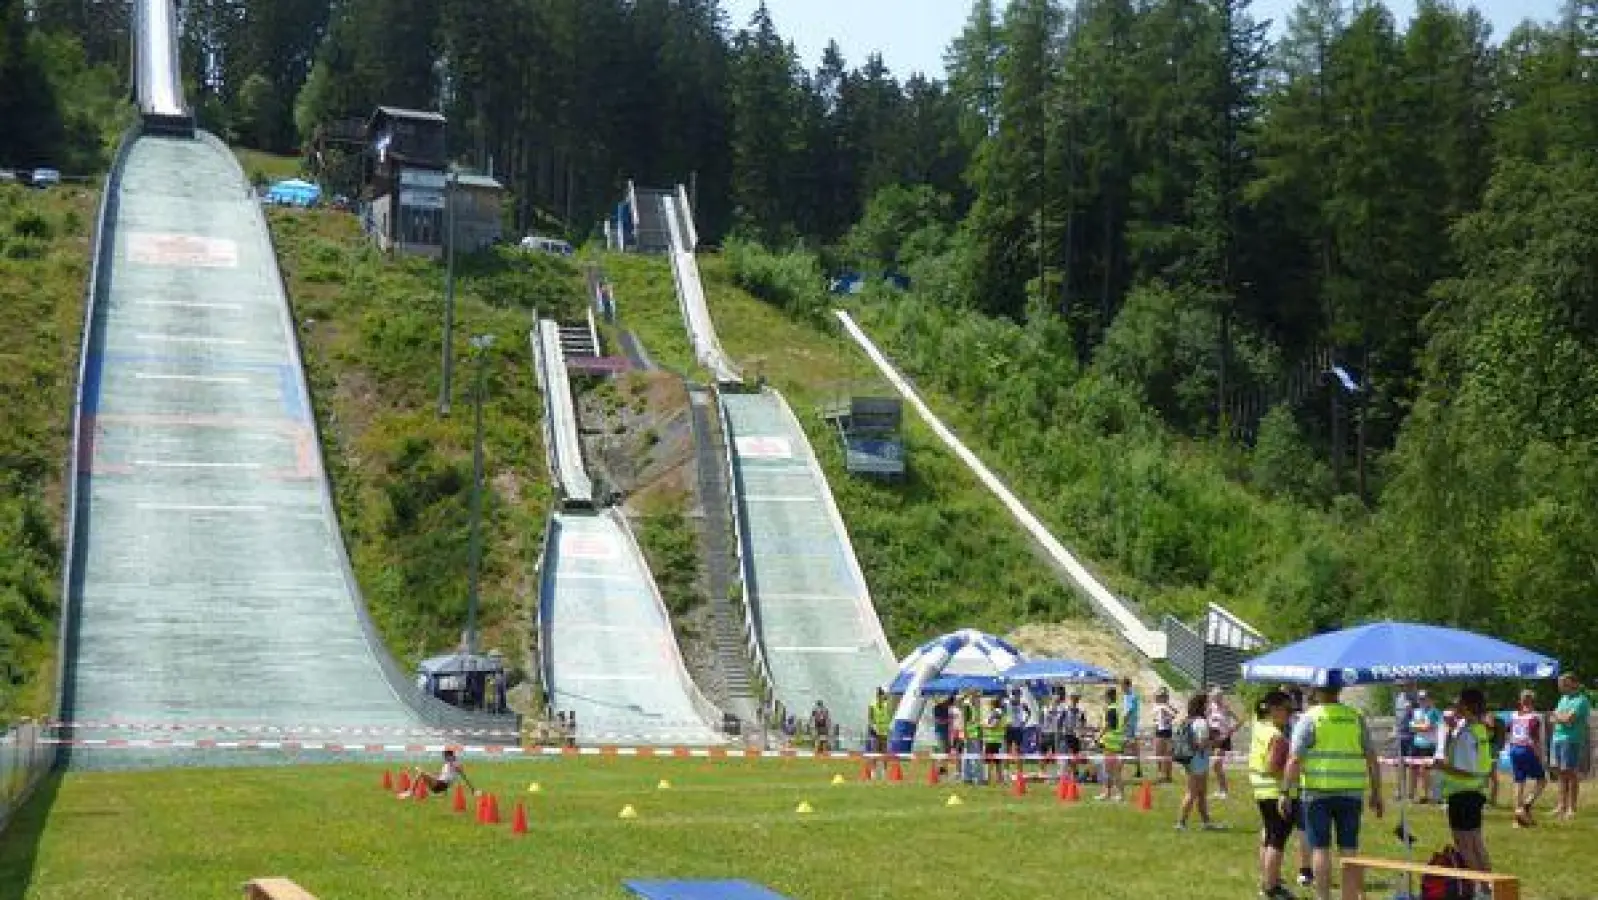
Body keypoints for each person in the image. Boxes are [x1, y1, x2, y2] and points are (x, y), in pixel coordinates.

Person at [1281, 683, 1384, 900]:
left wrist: (1285, 791)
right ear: (1339, 692)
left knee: (1320, 848)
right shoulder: (1355, 716)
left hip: (1318, 792)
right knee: (1349, 849)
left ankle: (1323, 897)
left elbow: (1295, 758)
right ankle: (1349, 897)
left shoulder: (1310, 717)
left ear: (1316, 692)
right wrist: (1377, 792)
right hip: (1351, 793)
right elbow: (1372, 758)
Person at [1433, 688, 1495, 879]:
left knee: (1465, 846)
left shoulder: (1467, 734)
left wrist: (1442, 767)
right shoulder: (1479, 729)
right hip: (1474, 793)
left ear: (1466, 707)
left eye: (1458, 703)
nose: (1455, 706)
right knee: (1476, 843)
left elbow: (1466, 770)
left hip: (1462, 795)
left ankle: (1481, 888)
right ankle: (1490, 888)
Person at [1250, 691, 1297, 899]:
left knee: (1269, 836)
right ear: (1275, 709)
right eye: (1288, 710)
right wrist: (1292, 772)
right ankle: (1272, 886)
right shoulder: (1276, 736)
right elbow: (1272, 766)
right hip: (1275, 791)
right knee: (1277, 840)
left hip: (1261, 790)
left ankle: (1267, 880)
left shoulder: (1259, 727)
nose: (1290, 714)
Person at [1175, 692, 1220, 831]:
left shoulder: (1189, 719)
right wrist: (1213, 742)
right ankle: (1181, 823)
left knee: (1201, 793)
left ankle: (1206, 822)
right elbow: (1201, 744)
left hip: (1193, 759)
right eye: (1207, 703)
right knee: (1192, 793)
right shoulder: (1201, 722)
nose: (1209, 706)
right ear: (1202, 705)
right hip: (1198, 759)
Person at [1551, 672, 1591, 821]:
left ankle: (1571, 808)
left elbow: (1569, 719)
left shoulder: (1581, 700)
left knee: (1570, 773)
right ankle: (1561, 805)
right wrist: (1561, 718)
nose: (1562, 687)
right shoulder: (1563, 699)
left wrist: (1559, 717)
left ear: (1575, 684)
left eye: (1565, 684)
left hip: (1571, 739)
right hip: (1557, 738)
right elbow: (1553, 717)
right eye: (1561, 684)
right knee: (1560, 773)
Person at [1507, 689, 1547, 827]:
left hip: (1514, 748)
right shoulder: (1534, 717)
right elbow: (1534, 737)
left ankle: (1517, 817)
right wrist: (1539, 755)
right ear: (1533, 701)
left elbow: (1509, 731)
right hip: (1527, 749)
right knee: (1542, 780)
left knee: (1519, 782)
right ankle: (1526, 806)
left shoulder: (1514, 715)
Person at [397, 747, 477, 798]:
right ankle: (416, 792)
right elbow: (446, 777)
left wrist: (472, 789)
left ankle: (410, 792)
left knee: (421, 773)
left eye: (445, 756)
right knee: (421, 773)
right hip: (439, 785)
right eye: (444, 757)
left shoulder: (456, 764)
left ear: (450, 756)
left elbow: (464, 777)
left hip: (441, 785)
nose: (444, 758)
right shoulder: (447, 764)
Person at [1409, 691, 1443, 803]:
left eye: (1424, 698)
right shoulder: (1416, 711)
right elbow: (1412, 727)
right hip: (1416, 744)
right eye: (1420, 699)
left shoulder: (1434, 712)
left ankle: (1426, 795)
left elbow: (1428, 727)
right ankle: (1411, 794)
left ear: (1429, 699)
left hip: (1429, 745)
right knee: (1413, 769)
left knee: (1425, 771)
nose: (1422, 701)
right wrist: (1419, 726)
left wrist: (1416, 726)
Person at [1207, 688, 1238, 799]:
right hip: (1213, 737)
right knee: (1216, 766)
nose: (1217, 698)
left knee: (1216, 764)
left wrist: (1230, 731)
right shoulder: (1210, 708)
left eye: (1219, 696)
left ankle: (1224, 790)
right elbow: (1206, 720)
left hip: (1223, 738)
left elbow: (1238, 721)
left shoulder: (1225, 707)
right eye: (1215, 696)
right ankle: (1221, 790)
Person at [1393, 681, 1419, 801]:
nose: (1402, 687)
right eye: (1401, 685)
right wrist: (1394, 729)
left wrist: (1413, 707)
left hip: (1412, 735)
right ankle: (1399, 791)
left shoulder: (1415, 698)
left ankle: (1411, 793)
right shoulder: (1398, 698)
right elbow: (1397, 716)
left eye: (1405, 685)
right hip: (1400, 735)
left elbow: (1419, 716)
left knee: (1413, 765)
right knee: (1400, 764)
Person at [1098, 686, 1125, 801]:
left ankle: (1119, 794)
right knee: (1108, 770)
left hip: (1111, 744)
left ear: (1108, 697)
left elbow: (1108, 726)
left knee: (1112, 771)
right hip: (1114, 743)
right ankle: (1107, 793)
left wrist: (1097, 736)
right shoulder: (1117, 708)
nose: (1104, 699)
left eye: (1105, 697)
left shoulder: (1111, 709)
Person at [1153, 687, 1179, 784]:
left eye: (1163, 696)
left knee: (1168, 755)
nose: (1161, 698)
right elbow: (1157, 718)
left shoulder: (1166, 706)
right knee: (1158, 754)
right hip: (1159, 732)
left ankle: (1168, 776)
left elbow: (1175, 713)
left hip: (1167, 732)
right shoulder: (1157, 706)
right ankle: (1160, 774)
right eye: (1160, 696)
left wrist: (1168, 710)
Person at [1122, 676, 1143, 780]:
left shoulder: (1131, 695)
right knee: (1133, 747)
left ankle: (1121, 768)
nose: (1122, 688)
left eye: (1123, 686)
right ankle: (1138, 769)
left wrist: (1123, 721)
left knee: (1124, 744)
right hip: (1131, 724)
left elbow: (1129, 711)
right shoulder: (1127, 695)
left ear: (1127, 685)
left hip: (1130, 724)